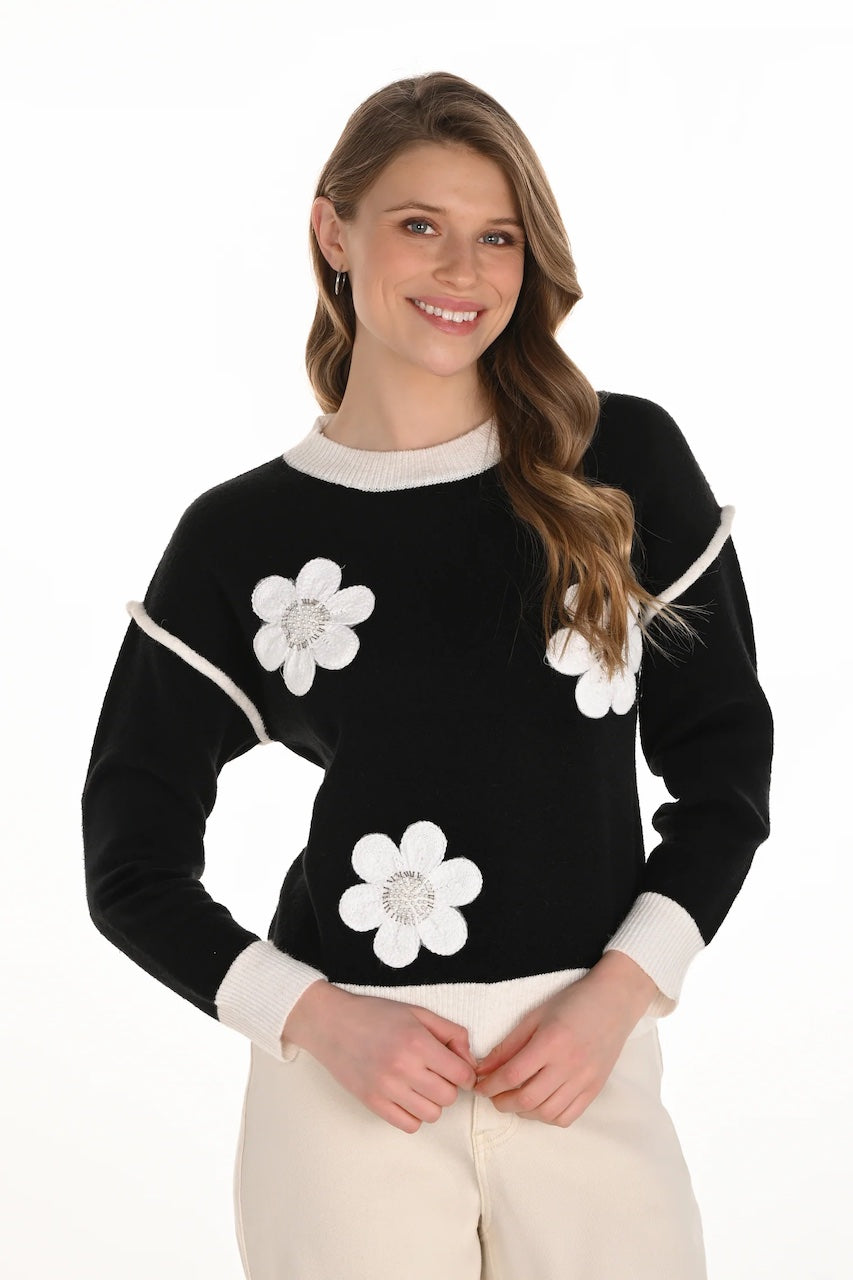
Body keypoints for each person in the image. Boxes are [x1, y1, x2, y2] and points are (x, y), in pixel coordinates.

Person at [82, 70, 774, 1280]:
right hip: (351, 1094)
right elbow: (128, 856)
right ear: (332, 231)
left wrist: (618, 994)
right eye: (420, 225)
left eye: (496, 236)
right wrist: (313, 1017)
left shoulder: (620, 461)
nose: (463, 270)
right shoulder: (242, 538)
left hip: (586, 1068)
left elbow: (726, 773)